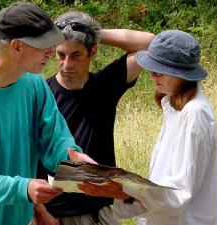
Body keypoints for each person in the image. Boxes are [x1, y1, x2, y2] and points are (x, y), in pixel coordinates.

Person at [0, 2, 95, 225]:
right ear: (17, 46)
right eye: (42, 47)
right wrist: (24, 188)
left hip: (17, 217)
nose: (51, 53)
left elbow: (54, 139)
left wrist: (74, 160)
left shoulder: (35, 85)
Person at [78, 30, 217, 225]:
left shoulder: (194, 114)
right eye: (151, 68)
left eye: (160, 70)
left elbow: (178, 194)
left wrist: (124, 191)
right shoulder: (175, 106)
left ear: (181, 74)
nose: (152, 75)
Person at [33, 10, 154, 225]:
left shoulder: (106, 85)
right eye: (61, 55)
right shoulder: (40, 93)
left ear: (93, 52)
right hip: (51, 216)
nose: (67, 64)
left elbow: (151, 44)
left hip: (98, 214)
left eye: (76, 55)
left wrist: (92, 31)